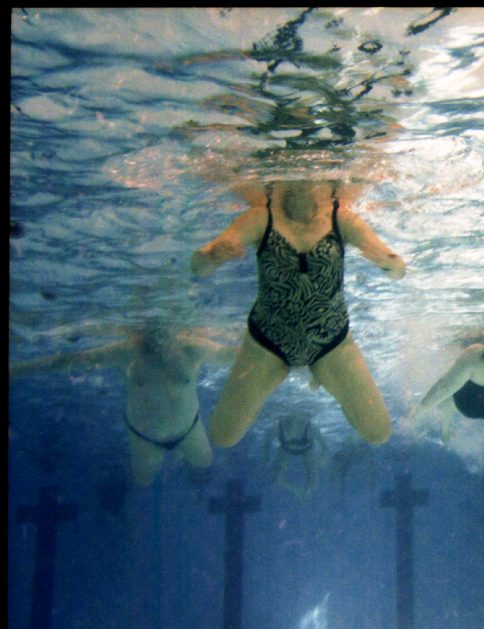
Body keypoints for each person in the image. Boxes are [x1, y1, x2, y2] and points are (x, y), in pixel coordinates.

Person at [190, 180, 405, 448]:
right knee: (223, 437)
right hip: (268, 343)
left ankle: (322, 373)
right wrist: (211, 256)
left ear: (323, 186)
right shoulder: (261, 217)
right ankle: (299, 373)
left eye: (310, 182)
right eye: (294, 180)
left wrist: (389, 263)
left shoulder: (342, 219)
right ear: (281, 182)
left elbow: (399, 272)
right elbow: (197, 267)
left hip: (330, 342)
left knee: (378, 433)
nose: (303, 186)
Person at [9, 323, 237, 487]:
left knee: (205, 463)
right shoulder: (127, 351)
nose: (157, 332)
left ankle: (180, 463)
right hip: (144, 437)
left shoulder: (192, 348)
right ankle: (172, 460)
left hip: (189, 431)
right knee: (143, 482)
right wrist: (16, 370)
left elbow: (237, 356)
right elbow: (68, 363)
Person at [264, 413, 329, 501]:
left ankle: (305, 491)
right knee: (278, 479)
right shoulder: (277, 427)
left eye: (301, 419)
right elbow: (267, 444)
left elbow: (324, 447)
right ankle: (298, 492)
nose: (297, 421)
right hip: (287, 448)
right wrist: (266, 457)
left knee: (314, 480)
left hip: (305, 449)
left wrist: (324, 458)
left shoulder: (311, 427)